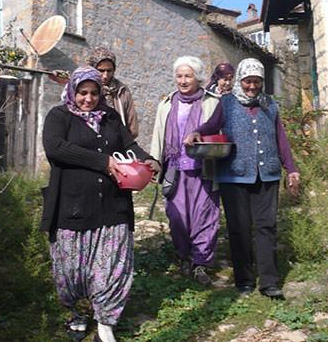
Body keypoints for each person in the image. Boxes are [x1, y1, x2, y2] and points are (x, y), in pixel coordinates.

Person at [42, 66, 160, 342]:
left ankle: (106, 322)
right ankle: (79, 314)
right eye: (82, 92)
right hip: (72, 207)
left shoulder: (110, 117)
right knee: (71, 270)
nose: (88, 98)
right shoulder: (59, 116)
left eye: (94, 93)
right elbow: (55, 148)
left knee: (113, 266)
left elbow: (128, 144)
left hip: (113, 205)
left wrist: (149, 160)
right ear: (73, 91)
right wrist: (104, 161)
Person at [184, 58, 301, 299]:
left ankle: (269, 282)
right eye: (248, 81)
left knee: (266, 227)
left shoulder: (271, 105)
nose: (252, 86)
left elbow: (281, 140)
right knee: (239, 229)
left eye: (257, 81)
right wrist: (196, 133)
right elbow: (210, 126)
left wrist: (291, 168)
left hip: (266, 175)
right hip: (233, 176)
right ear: (240, 80)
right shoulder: (227, 103)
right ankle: (244, 280)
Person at [150, 55, 221, 285]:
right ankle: (183, 256)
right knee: (177, 215)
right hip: (175, 167)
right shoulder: (167, 103)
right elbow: (158, 134)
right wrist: (154, 161)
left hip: (205, 167)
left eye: (188, 76)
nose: (182, 80)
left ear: (198, 78)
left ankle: (201, 263)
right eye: (179, 76)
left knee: (205, 215)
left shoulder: (213, 102)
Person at [87, 46, 139, 138]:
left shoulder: (121, 90)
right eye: (101, 70)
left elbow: (132, 126)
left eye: (109, 71)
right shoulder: (85, 89)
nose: (105, 75)